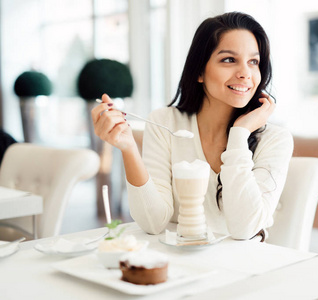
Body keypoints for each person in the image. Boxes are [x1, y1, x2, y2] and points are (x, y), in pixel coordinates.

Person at [92, 12, 293, 241]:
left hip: (244, 266)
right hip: (178, 264)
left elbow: (244, 229)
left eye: (253, 62)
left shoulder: (276, 139)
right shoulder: (165, 123)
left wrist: (239, 134)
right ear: (199, 71)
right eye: (229, 59)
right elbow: (153, 222)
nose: (245, 73)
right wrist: (128, 148)